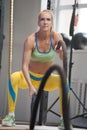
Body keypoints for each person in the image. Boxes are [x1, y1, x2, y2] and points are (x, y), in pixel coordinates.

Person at [2, 9, 65, 127]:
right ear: (38, 22)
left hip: (46, 79)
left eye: (48, 19)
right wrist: (30, 86)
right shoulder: (30, 39)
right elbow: (24, 66)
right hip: (29, 77)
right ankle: (11, 115)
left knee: (64, 81)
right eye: (42, 19)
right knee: (13, 77)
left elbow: (62, 57)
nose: (45, 22)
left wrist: (60, 52)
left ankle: (63, 119)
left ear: (52, 22)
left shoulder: (56, 37)